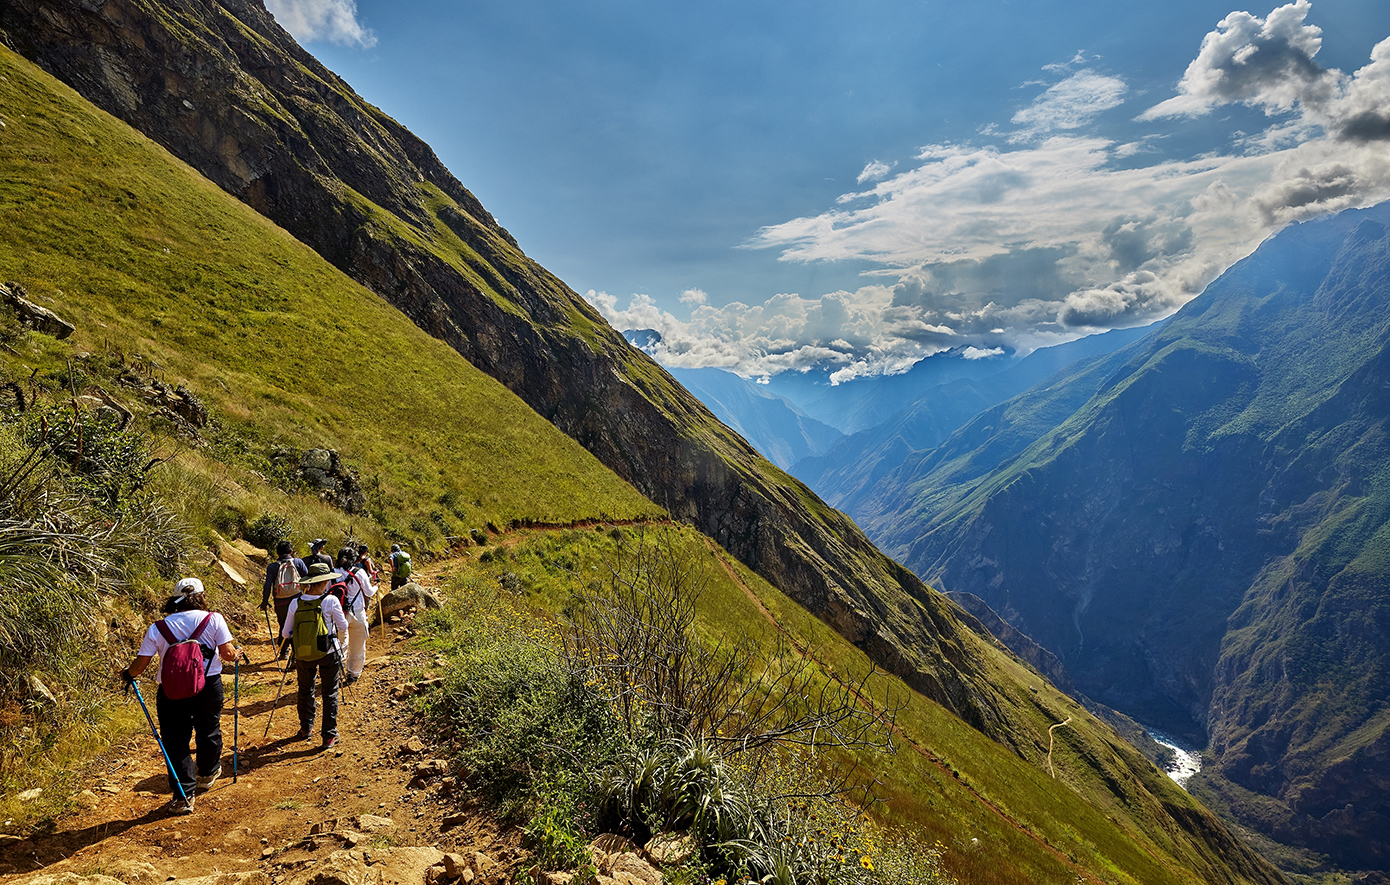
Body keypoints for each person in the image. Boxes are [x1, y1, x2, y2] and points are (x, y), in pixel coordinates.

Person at [121, 578, 240, 814]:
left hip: (171, 690)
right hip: (208, 684)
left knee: (176, 741)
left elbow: (141, 665)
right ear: (201, 596)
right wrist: (237, 654)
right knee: (209, 729)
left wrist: (127, 674)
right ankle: (207, 772)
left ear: (176, 599)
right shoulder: (214, 619)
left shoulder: (158, 627)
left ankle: (184, 796)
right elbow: (227, 654)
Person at [281, 562, 348, 748]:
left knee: (304, 690)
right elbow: (343, 627)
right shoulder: (331, 600)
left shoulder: (296, 602)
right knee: (330, 693)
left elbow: (285, 634)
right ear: (325, 581)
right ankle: (328, 736)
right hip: (328, 652)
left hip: (302, 654)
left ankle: (306, 728)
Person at [336, 546, 375, 686]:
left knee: (340, 644)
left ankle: (336, 673)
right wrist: (376, 587)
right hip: (357, 612)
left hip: (339, 613)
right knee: (357, 645)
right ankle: (353, 673)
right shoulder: (360, 573)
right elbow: (369, 592)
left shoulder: (333, 573)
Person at [260, 541, 307, 649]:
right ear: (291, 551)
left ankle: (284, 651)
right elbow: (308, 578)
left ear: (277, 553)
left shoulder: (272, 567)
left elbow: (267, 586)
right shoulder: (298, 562)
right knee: (297, 625)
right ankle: (296, 654)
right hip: (297, 600)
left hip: (280, 601)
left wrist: (264, 602)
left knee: (283, 625)